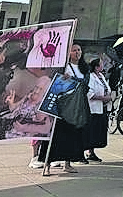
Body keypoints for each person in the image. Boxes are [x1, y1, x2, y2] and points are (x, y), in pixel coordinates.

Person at [42, 43, 87, 177]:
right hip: (62, 105)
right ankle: (47, 164)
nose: (77, 52)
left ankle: (67, 163)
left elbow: (86, 85)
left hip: (75, 106)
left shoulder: (84, 68)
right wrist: (65, 78)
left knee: (71, 135)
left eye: (79, 50)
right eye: (74, 50)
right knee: (55, 135)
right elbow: (55, 82)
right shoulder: (63, 67)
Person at [85, 59, 113, 162]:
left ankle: (91, 152)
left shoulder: (101, 76)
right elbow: (90, 94)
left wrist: (109, 97)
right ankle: (87, 151)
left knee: (97, 131)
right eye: (101, 64)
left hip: (103, 108)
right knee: (90, 131)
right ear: (96, 67)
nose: (103, 66)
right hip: (94, 108)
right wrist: (103, 98)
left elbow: (107, 89)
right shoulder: (91, 77)